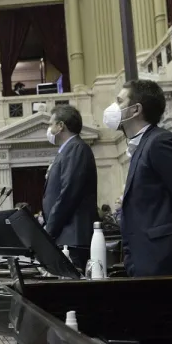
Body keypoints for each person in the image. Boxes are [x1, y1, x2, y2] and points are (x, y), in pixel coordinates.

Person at [104, 79, 172, 277]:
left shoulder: (161, 142)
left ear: (136, 110)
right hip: (145, 261)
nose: (114, 107)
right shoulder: (143, 145)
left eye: (119, 101)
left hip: (166, 262)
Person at [42, 105, 99, 268]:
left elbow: (69, 193)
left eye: (51, 124)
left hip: (73, 237)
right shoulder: (67, 150)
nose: (49, 129)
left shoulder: (76, 149)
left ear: (61, 126)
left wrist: (49, 231)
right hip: (66, 236)